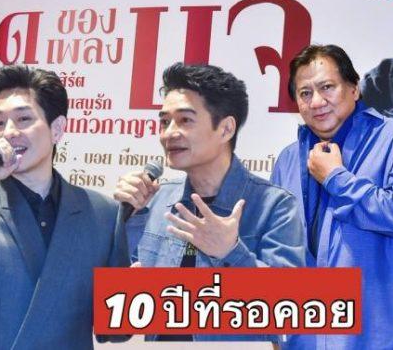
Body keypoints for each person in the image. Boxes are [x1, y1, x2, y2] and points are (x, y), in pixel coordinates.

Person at [0, 66, 129, 350]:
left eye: (23, 119)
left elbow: (115, 332)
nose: (9, 132)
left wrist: (130, 291)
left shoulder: (104, 213)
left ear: (57, 129)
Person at [115, 62, 305, 342]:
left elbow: (288, 314)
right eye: (165, 122)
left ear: (226, 129)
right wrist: (127, 220)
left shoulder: (275, 206)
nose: (169, 133)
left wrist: (231, 252)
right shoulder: (155, 201)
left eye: (185, 120)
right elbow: (120, 310)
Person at [270, 44, 393, 349]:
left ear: (354, 89)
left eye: (327, 87)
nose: (317, 102)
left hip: (376, 339)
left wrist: (336, 178)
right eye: (305, 93)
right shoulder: (288, 159)